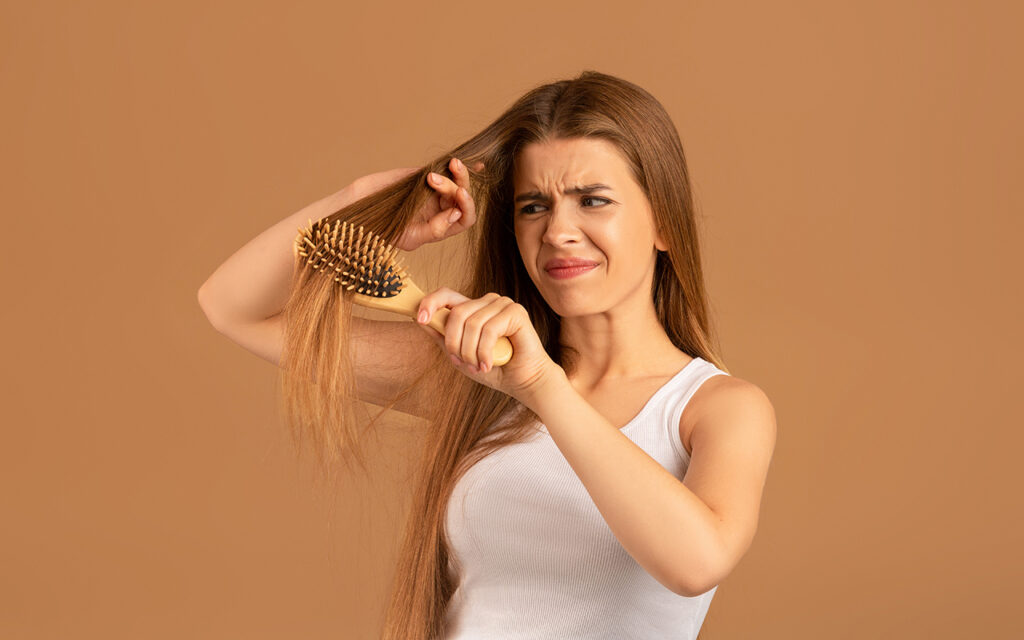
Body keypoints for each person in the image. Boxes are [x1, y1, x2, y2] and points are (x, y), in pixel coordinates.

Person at [198, 70, 776, 640]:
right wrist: (361, 207)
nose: (558, 232)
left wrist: (542, 386)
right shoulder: (473, 371)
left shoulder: (717, 408)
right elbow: (231, 307)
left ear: (665, 223)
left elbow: (696, 563)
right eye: (533, 207)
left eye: (593, 201)